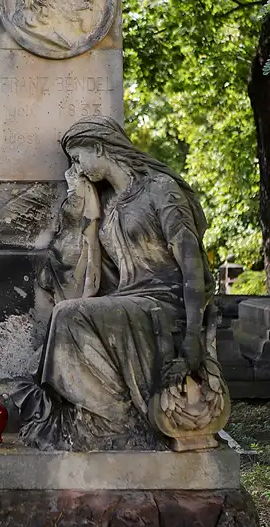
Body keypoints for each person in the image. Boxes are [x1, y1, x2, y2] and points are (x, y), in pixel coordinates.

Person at [15, 115, 218, 451]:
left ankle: (112, 417)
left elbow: (193, 268)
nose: (77, 167)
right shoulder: (108, 205)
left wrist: (193, 335)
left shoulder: (160, 191)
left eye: (79, 158)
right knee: (65, 313)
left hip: (164, 303)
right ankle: (95, 412)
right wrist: (85, 208)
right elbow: (90, 275)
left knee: (70, 315)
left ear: (99, 146)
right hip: (129, 300)